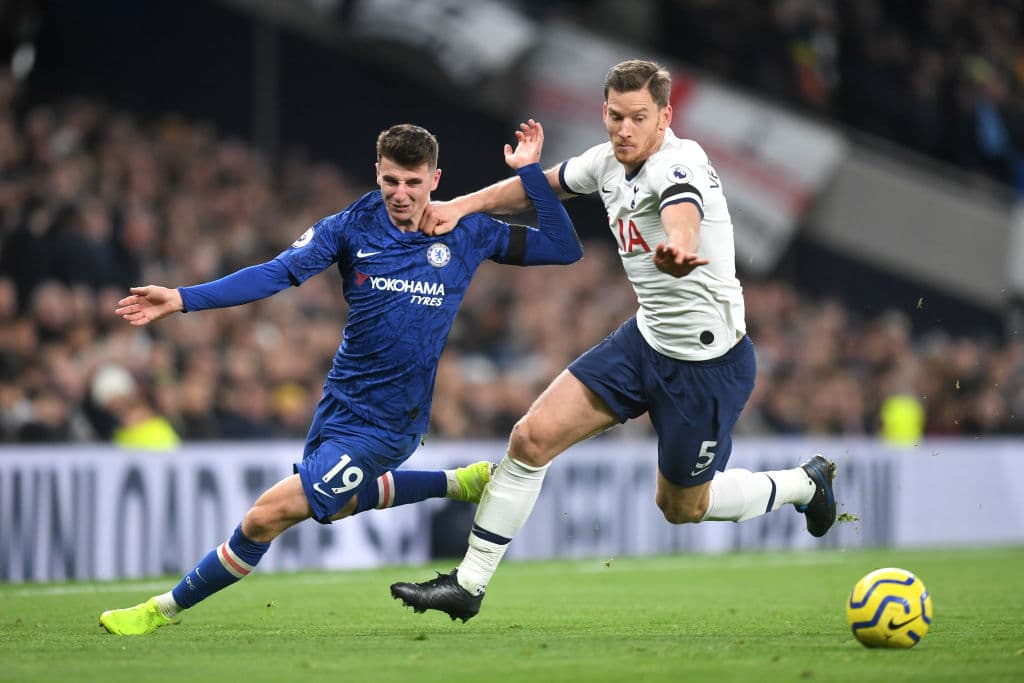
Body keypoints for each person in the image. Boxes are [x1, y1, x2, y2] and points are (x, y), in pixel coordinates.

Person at [390, 60, 837, 622]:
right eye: (615, 116)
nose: (624, 130)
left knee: (682, 507)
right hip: (644, 340)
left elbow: (682, 215)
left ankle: (802, 483)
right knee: (530, 439)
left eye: (638, 118)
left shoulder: (679, 164)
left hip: (706, 364)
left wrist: (678, 247)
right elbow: (544, 186)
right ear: (605, 112)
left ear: (664, 117)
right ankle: (469, 583)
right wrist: (460, 205)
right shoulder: (606, 160)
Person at [99, 121, 582, 635]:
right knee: (334, 505)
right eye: (391, 181)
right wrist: (183, 297)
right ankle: (457, 481)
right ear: (377, 173)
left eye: (413, 183)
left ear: (435, 180)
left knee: (267, 515)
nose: (401, 194)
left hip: (391, 423)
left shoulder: (465, 230)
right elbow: (277, 272)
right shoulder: (350, 226)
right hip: (339, 403)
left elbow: (563, 246)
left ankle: (159, 610)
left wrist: (529, 173)